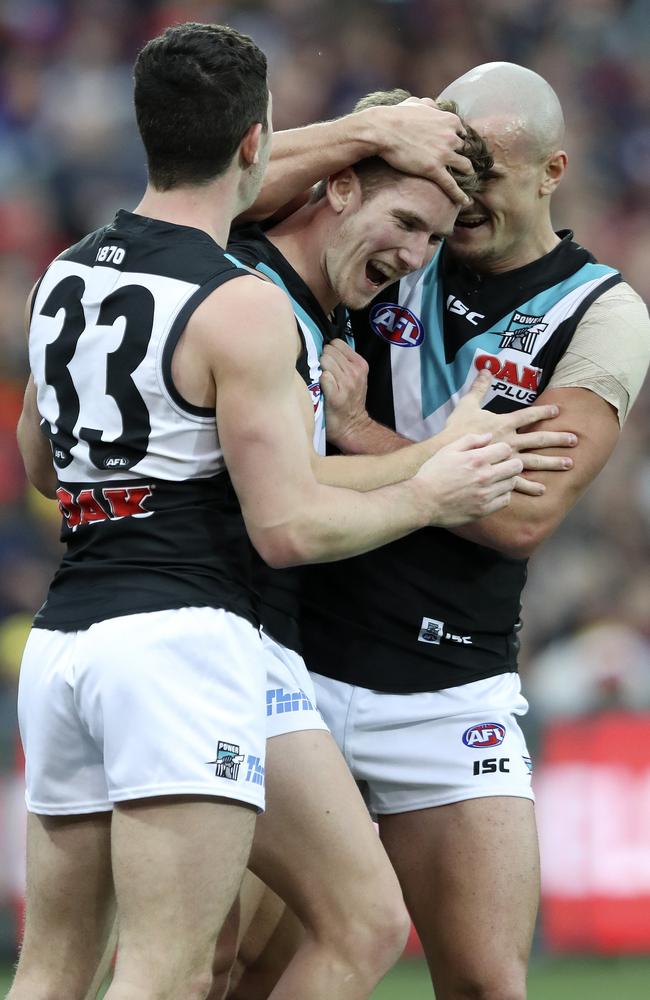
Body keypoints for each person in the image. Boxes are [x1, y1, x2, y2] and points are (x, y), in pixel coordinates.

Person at [9, 23, 531, 1000]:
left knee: (53, 964)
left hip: (67, 639)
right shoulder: (239, 301)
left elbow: (43, 464)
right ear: (259, 144)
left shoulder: (67, 273)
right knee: (169, 966)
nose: (418, 254)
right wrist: (427, 486)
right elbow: (285, 525)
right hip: (186, 639)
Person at [223, 66, 650, 1000]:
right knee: (238, 967)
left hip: (450, 685)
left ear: (553, 171)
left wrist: (355, 429)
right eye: (448, 169)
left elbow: (521, 513)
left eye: (486, 175)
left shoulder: (600, 315)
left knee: (490, 983)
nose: (457, 204)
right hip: (299, 660)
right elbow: (220, 185)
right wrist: (359, 140)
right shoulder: (387, 231)